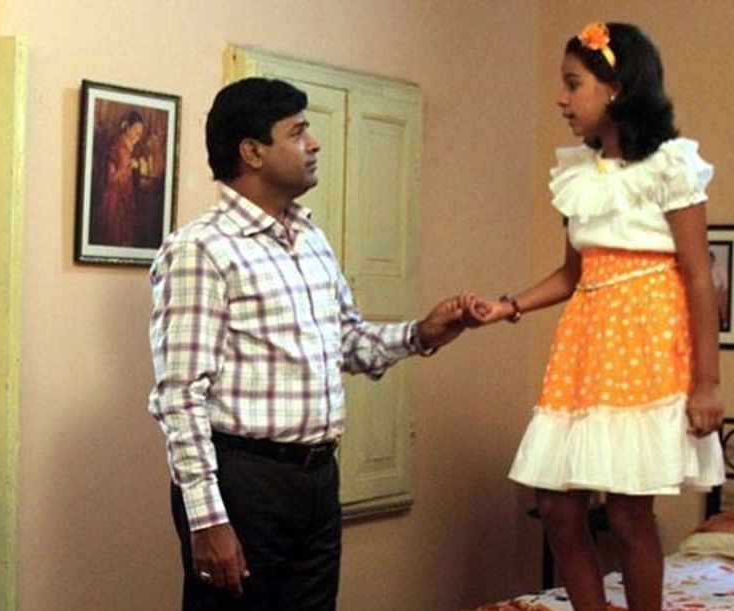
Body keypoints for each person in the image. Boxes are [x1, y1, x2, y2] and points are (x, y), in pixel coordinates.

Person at [148, 77, 469, 611]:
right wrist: (207, 520)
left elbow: (347, 342)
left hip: (317, 480)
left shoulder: (309, 238)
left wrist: (420, 334)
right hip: (245, 482)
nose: (314, 143)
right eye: (297, 133)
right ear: (252, 152)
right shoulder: (201, 249)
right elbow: (180, 395)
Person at [464, 23, 725, 611]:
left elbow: (697, 274)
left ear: (616, 88)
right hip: (584, 346)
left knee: (629, 512)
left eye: (573, 84)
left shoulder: (670, 165)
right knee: (557, 504)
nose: (562, 99)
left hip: (647, 344)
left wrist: (707, 382)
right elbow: (573, 273)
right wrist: (508, 305)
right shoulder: (580, 172)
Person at [95, 110, 146, 246]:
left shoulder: (131, 148)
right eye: (135, 130)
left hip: (126, 199)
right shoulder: (116, 147)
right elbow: (111, 178)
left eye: (140, 132)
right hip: (114, 201)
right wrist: (129, 166)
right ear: (127, 128)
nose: (138, 135)